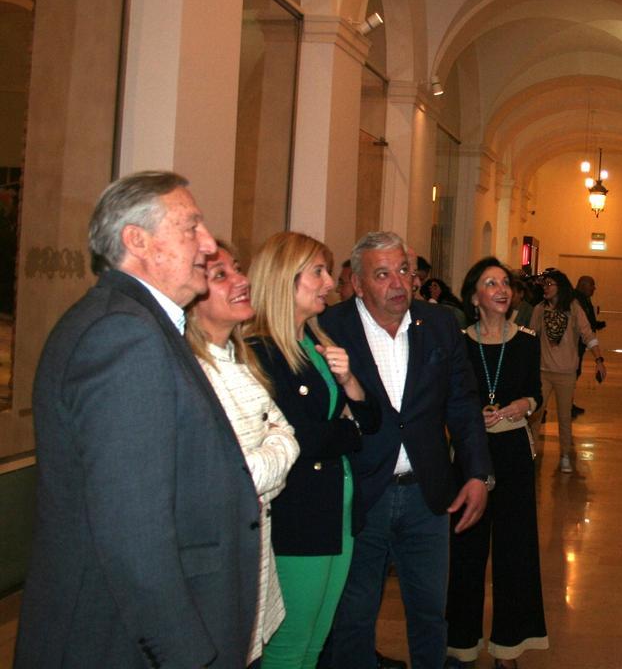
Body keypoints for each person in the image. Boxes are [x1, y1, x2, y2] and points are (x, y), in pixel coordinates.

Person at [15, 171, 261, 669]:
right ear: (137, 240)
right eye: (192, 227)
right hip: (121, 641)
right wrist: (184, 653)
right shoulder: (124, 336)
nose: (208, 245)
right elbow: (134, 530)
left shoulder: (136, 323)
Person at [318, 231, 492, 669]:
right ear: (357, 284)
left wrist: (476, 473)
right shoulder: (329, 327)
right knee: (354, 617)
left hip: (427, 495)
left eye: (404, 270)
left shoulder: (438, 324)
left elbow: (463, 403)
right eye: (383, 274)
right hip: (360, 494)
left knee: (430, 613)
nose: (399, 283)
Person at [246, 231, 382, 669]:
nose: (330, 281)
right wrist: (344, 431)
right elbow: (301, 437)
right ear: (286, 278)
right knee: (289, 646)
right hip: (298, 515)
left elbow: (370, 419)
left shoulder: (318, 343)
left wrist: (349, 385)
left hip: (336, 512)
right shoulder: (262, 350)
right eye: (318, 272)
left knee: (315, 642)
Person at [187, 241, 301, 667]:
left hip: (254, 552)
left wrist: (273, 449)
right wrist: (274, 451)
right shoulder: (192, 371)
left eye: (237, 269)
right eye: (222, 276)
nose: (242, 281)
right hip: (219, 562)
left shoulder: (243, 358)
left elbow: (288, 436)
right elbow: (228, 478)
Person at [446, 257, 549, 668]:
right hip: (470, 456)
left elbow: (535, 394)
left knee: (515, 552)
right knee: (466, 551)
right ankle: (461, 644)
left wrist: (518, 407)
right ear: (475, 296)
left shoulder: (525, 340)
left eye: (505, 282)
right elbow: (448, 397)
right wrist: (473, 417)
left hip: (512, 455)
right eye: (491, 283)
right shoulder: (459, 342)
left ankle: (509, 646)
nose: (502, 289)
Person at [531, 269, 605, 473]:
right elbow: (531, 337)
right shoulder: (539, 310)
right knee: (536, 414)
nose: (545, 288)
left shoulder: (573, 308)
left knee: (564, 416)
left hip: (566, 372)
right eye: (544, 285)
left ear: (560, 287)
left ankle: (565, 455)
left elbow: (587, 334)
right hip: (543, 371)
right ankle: (531, 452)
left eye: (549, 285)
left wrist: (599, 359)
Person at [570, 275, 606, 418]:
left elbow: (588, 320)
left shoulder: (584, 299)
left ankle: (569, 404)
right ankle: (567, 405)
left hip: (580, 343)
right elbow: (581, 323)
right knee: (572, 374)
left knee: (575, 374)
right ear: (583, 285)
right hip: (574, 345)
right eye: (592, 285)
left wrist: (597, 325)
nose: (594, 288)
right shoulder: (575, 300)